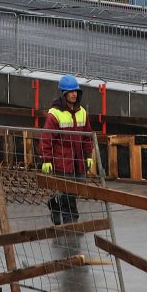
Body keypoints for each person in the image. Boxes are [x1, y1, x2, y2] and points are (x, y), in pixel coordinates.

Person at [38, 75, 94, 225]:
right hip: (61, 160)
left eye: (76, 91)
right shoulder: (54, 114)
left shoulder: (82, 112)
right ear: (63, 93)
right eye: (71, 92)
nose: (74, 94)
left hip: (78, 160)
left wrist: (88, 155)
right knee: (67, 192)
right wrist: (46, 160)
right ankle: (71, 221)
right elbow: (46, 138)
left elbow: (87, 136)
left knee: (76, 189)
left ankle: (54, 204)